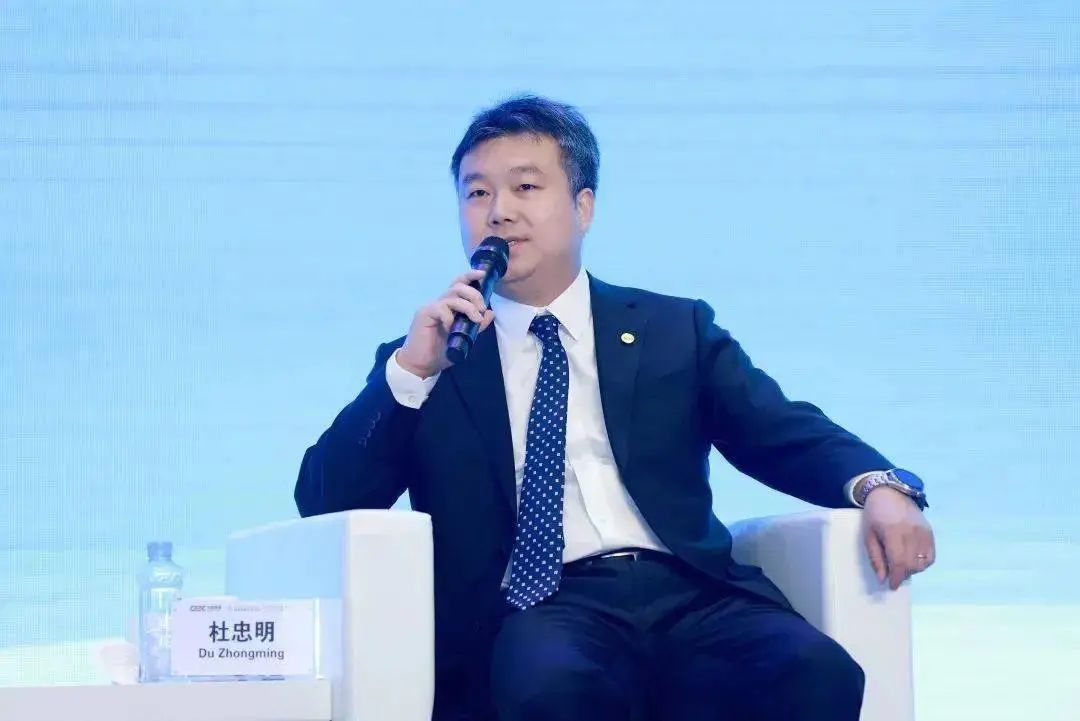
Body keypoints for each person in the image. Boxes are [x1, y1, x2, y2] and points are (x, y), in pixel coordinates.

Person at [295, 94, 937, 721]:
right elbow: (325, 498)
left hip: (689, 592)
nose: (499, 213)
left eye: (525, 188)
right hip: (538, 606)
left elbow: (779, 429)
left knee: (816, 669)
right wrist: (410, 374)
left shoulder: (672, 329)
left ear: (584, 207)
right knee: (552, 683)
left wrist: (876, 484)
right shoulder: (436, 355)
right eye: (477, 193)